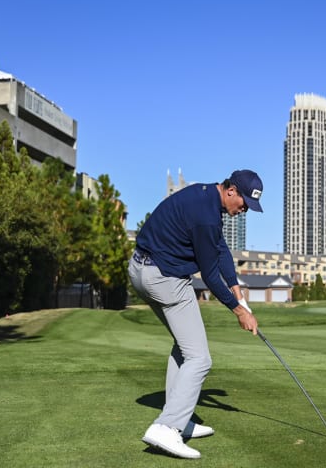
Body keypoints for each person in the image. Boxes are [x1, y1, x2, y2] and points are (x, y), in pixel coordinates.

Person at [128, 169, 263, 459]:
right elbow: (210, 275)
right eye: (243, 205)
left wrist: (237, 289)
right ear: (231, 191)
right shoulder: (206, 217)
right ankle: (167, 427)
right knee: (200, 358)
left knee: (184, 345)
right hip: (164, 278)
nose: (243, 212)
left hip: (140, 270)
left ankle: (180, 417)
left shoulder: (205, 198)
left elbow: (221, 249)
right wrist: (239, 311)